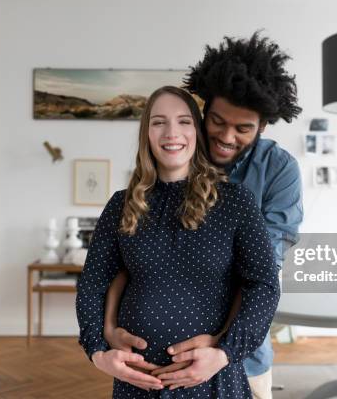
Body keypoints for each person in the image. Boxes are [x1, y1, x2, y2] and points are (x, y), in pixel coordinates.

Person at [103, 32, 304, 399]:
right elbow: (130, 257)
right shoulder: (177, 153)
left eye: (243, 129)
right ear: (202, 111)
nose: (226, 137)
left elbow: (261, 273)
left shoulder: (278, 170)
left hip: (243, 358)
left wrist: (221, 346)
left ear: (263, 126)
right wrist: (110, 328)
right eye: (217, 121)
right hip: (151, 362)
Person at [76, 85, 280, 398]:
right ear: (147, 133)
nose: (172, 132)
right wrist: (99, 352)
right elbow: (92, 284)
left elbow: (263, 285)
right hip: (138, 382)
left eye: (184, 121)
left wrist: (224, 352)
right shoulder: (121, 205)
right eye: (159, 122)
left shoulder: (235, 202)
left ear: (197, 132)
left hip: (212, 378)